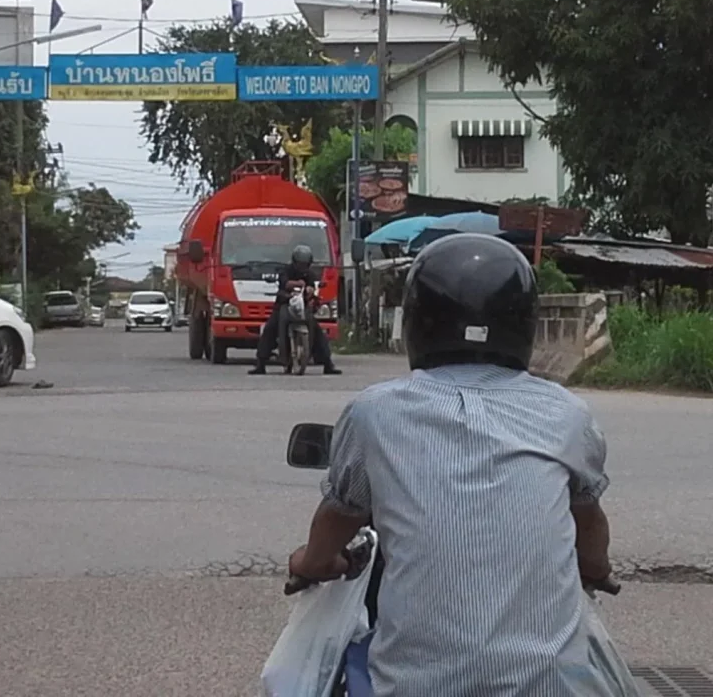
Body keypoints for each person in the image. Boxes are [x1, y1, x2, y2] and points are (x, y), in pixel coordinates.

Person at [286, 233, 618, 696]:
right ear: (525, 324)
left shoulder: (375, 412)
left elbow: (338, 518)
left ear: (418, 323)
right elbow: (589, 525)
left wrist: (312, 562)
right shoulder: (567, 414)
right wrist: (597, 570)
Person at [249, 245, 341, 375]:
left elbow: (313, 286)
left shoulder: (310, 274)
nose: (302, 267)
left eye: (305, 264)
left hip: (302, 306)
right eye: (300, 264)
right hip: (284, 305)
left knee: (318, 332)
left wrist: (310, 290)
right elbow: (284, 283)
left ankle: (327, 363)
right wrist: (297, 284)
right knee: (270, 329)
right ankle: (260, 363)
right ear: (294, 262)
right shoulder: (286, 271)